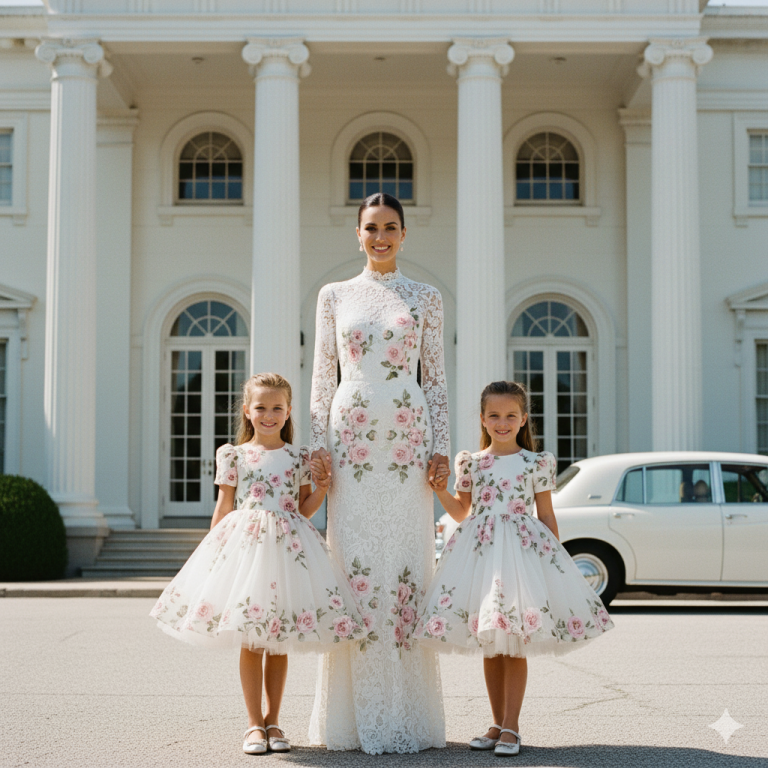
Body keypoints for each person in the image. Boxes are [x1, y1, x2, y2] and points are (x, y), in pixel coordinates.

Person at [150, 373, 365, 756]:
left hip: (287, 548)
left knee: (278, 639)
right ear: (247, 411)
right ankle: (253, 724)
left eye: (277, 408)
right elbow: (224, 505)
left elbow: (303, 509)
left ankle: (274, 719)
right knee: (251, 638)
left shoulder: (299, 457)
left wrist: (322, 488)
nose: (269, 414)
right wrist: (214, 552)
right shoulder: (233, 454)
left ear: (288, 412)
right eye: (261, 407)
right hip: (246, 547)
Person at [308, 192, 451, 754]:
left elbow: (435, 378)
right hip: (352, 446)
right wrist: (318, 450)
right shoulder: (335, 295)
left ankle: (411, 716)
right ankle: (353, 716)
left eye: (391, 227)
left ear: (404, 233)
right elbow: (322, 375)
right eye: (371, 228)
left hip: (409, 445)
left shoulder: (425, 297)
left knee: (409, 563)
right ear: (358, 234)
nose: (381, 236)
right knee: (357, 562)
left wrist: (441, 450)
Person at [415, 381, 614, 757]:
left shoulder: (536, 462)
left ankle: (512, 726)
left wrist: (554, 562)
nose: (502, 422)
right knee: (492, 643)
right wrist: (439, 490)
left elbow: (546, 514)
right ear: (482, 419)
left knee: (515, 640)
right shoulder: (471, 462)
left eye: (510, 416)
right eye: (494, 415)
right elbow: (462, 512)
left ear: (523, 419)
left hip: (522, 555)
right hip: (483, 555)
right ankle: (496, 722)